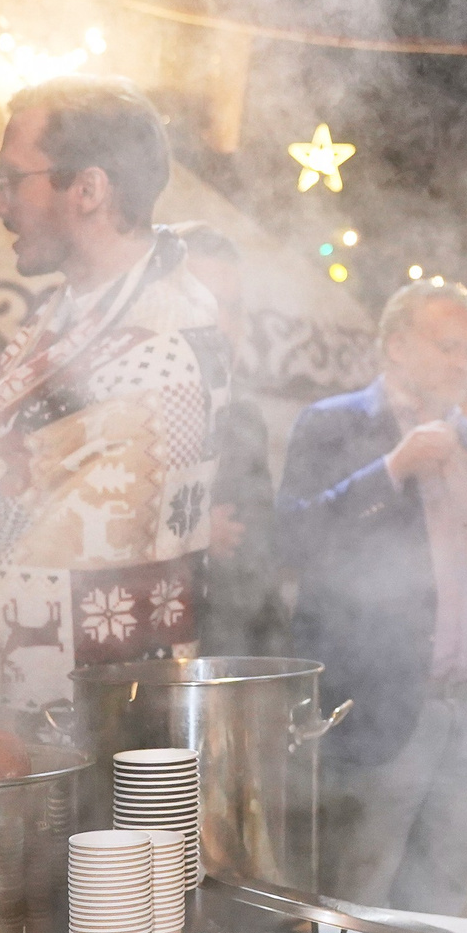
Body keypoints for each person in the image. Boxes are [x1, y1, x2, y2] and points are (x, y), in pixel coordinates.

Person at [0, 76, 228, 737]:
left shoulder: (170, 339)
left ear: (88, 190)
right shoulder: (63, 313)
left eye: (11, 177)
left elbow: (106, 565)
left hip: (74, 740)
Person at [277, 279, 467, 914]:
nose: (461, 364)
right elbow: (292, 539)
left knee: (448, 896)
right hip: (380, 704)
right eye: (446, 347)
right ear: (396, 346)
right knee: (358, 894)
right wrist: (392, 469)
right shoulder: (334, 422)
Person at [176, 223, 291, 658]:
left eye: (234, 309)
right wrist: (189, 533)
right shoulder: (102, 406)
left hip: (227, 665)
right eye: (204, 305)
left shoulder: (243, 415)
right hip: (137, 680)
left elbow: (255, 565)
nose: (224, 326)